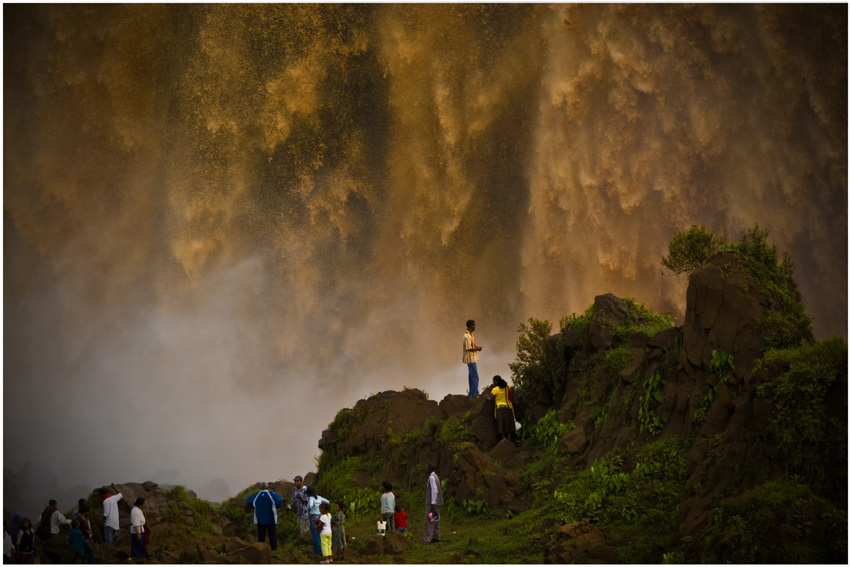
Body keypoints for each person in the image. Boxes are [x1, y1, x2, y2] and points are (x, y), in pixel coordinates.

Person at [246, 482, 284, 551]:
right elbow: (279, 502)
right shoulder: (272, 495)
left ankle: (261, 549)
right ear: (267, 487)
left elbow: (248, 502)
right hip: (271, 518)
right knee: (272, 535)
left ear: (260, 488)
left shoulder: (256, 495)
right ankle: (274, 549)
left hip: (260, 519)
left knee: (261, 536)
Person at [487, 375, 516, 442]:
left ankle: (503, 441)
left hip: (500, 409)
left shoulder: (495, 389)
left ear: (496, 381)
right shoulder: (507, 387)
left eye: (493, 381)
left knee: (501, 425)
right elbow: (511, 396)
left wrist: (487, 397)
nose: (493, 382)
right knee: (509, 425)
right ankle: (509, 440)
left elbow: (491, 398)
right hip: (509, 408)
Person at [422, 464, 443, 543]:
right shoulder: (435, 476)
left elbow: (434, 491)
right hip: (436, 502)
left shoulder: (431, 477)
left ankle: (427, 538)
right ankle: (436, 536)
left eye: (427, 468)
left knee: (429, 519)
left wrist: (433, 503)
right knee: (436, 518)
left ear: (430, 469)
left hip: (432, 502)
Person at [305, 487, 329, 556]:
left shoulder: (311, 499)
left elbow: (310, 505)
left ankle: (320, 551)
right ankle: (316, 551)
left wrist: (309, 511)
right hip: (320, 516)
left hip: (314, 516)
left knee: (314, 534)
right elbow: (327, 501)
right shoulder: (319, 497)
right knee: (319, 533)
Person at [463, 320, 483, 397]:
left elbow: (471, 346)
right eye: (474, 325)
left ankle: (471, 392)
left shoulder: (470, 335)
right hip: (470, 358)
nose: (475, 327)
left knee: (471, 375)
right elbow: (468, 348)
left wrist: (476, 347)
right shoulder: (467, 336)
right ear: (470, 326)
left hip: (472, 358)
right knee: (475, 376)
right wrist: (477, 349)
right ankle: (474, 393)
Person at [130, 497, 149, 562]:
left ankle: (138, 560)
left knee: (139, 546)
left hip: (141, 530)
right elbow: (136, 523)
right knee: (141, 547)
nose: (145, 505)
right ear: (140, 504)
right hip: (137, 531)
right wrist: (138, 534)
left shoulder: (139, 510)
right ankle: (143, 561)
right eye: (144, 504)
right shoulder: (135, 511)